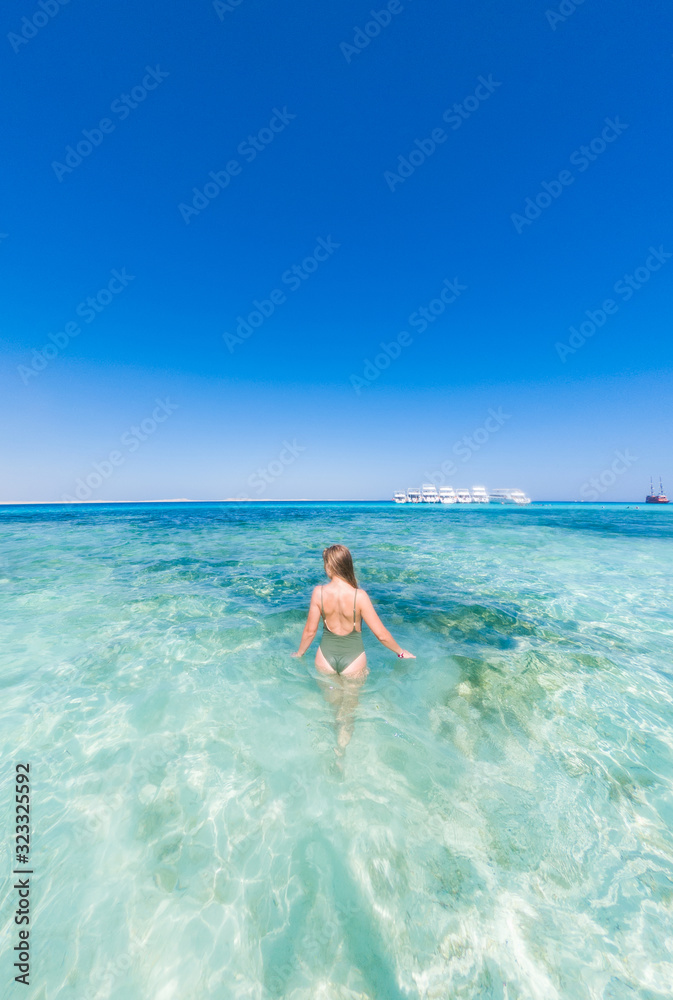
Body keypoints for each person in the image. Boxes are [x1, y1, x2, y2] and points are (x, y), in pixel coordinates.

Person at [292, 544, 415, 677]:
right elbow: (381, 635)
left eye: (325, 564)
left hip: (324, 658)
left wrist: (299, 653)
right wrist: (401, 652)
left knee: (330, 697)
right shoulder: (360, 596)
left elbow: (310, 631)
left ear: (330, 566)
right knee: (352, 698)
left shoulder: (318, 593)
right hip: (354, 661)